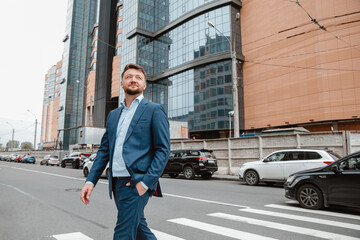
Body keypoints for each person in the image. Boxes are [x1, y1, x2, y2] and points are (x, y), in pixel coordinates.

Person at [80, 63, 170, 240]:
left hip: (136, 182)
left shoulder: (154, 110)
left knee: (122, 234)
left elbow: (163, 150)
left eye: (138, 77)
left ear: (144, 85)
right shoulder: (114, 115)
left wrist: (145, 183)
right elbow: (104, 151)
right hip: (117, 184)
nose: (133, 80)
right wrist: (90, 181)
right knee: (139, 229)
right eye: (129, 77)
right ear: (122, 83)